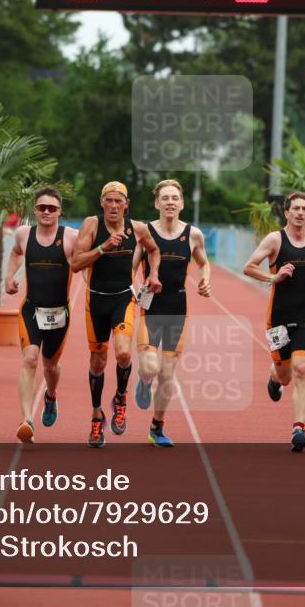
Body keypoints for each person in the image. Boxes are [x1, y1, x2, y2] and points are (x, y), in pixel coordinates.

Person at [71, 181, 162, 448]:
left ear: (126, 205)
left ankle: (121, 397)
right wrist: (103, 247)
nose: (113, 206)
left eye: (118, 201)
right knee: (98, 362)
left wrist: (153, 273)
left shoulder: (138, 228)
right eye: (108, 201)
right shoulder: (92, 225)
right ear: (102, 203)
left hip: (123, 299)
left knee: (123, 353)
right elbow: (76, 264)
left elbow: (154, 250)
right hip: (95, 302)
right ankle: (97, 415)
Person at [243, 192, 305, 452]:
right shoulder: (275, 240)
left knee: (302, 368)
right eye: (296, 209)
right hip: (278, 320)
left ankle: (299, 428)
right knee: (285, 375)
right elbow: (248, 267)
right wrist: (274, 277)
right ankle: (274, 377)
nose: (301, 213)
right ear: (287, 213)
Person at [131, 179, 212, 448]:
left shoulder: (193, 234)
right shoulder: (145, 233)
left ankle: (157, 427)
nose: (169, 202)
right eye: (164, 198)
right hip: (150, 307)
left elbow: (204, 262)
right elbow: (131, 268)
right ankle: (143, 381)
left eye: (174, 198)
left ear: (182, 203)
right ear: (157, 203)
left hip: (178, 310)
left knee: (167, 373)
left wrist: (205, 279)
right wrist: (133, 290)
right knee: (150, 368)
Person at [4, 188, 77, 444]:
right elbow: (15, 252)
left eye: (52, 208)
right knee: (30, 358)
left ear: (60, 211)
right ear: (35, 210)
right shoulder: (24, 234)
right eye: (42, 207)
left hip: (59, 314)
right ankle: (27, 420)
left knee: (50, 366)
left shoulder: (71, 237)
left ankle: (51, 395)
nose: (46, 212)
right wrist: (9, 276)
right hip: (31, 310)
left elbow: (89, 261)